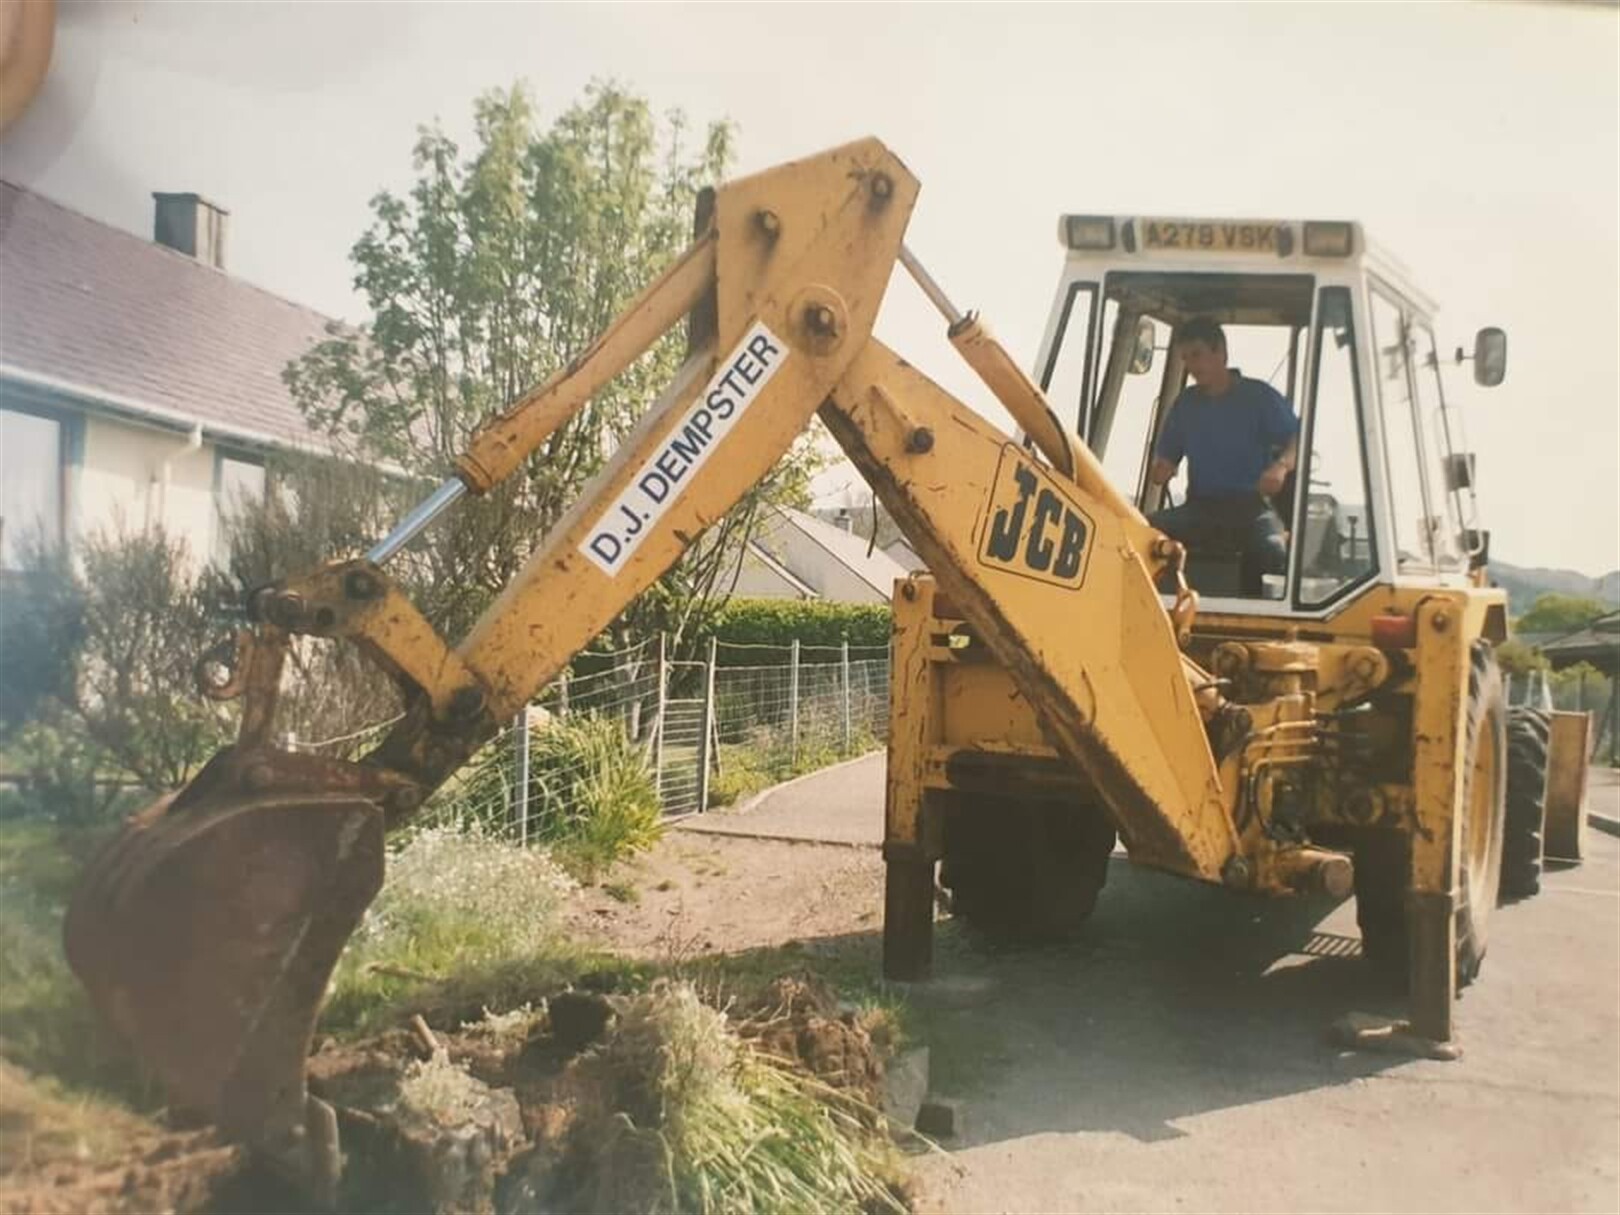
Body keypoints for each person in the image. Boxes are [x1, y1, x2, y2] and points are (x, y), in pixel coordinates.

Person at [1147, 317, 1298, 595]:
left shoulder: (1259, 397)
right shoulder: (1186, 404)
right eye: (1185, 358)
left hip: (1250, 508)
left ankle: (1253, 619)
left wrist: (1281, 466)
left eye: (1197, 355)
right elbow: (1167, 459)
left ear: (1221, 353)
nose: (1191, 366)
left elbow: (1296, 438)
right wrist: (1164, 467)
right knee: (1143, 533)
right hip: (1201, 509)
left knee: (1270, 549)